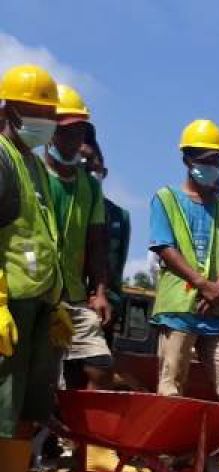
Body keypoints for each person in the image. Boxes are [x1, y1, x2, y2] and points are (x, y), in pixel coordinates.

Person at [148, 119, 219, 472]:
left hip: (216, 311)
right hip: (179, 305)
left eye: (217, 160)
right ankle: (169, 455)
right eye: (205, 159)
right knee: (171, 382)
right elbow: (164, 246)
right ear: (187, 159)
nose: (212, 166)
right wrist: (202, 284)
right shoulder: (165, 199)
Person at [0, 64, 72, 472]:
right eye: (35, 112)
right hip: (9, 300)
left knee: (27, 403)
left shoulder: (34, 166)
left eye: (49, 113)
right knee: (2, 398)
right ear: (8, 110)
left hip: (39, 301)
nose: (44, 122)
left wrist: (58, 301)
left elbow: (42, 235)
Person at [44, 85, 111, 391]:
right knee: (43, 376)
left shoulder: (90, 187)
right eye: (66, 132)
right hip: (37, 294)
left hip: (73, 295)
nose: (73, 141)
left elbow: (96, 244)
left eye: (79, 133)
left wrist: (99, 292)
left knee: (98, 365)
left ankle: (78, 438)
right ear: (50, 133)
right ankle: (43, 437)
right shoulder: (34, 173)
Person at [78, 130, 130, 327]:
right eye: (84, 164)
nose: (90, 171)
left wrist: (108, 298)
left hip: (101, 304)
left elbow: (116, 265)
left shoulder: (119, 216)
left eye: (94, 166)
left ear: (104, 173)